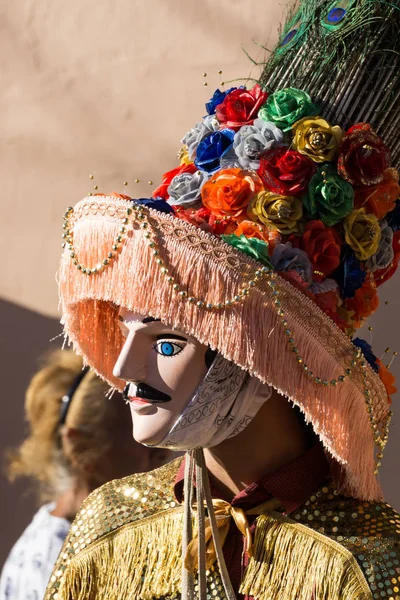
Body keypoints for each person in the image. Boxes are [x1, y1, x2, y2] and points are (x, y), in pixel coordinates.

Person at [46, 0, 400, 598]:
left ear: (259, 353)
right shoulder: (110, 529)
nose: (123, 371)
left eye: (164, 340)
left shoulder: (361, 564)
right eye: (130, 329)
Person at [0, 350, 170, 600]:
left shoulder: (88, 537)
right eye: (138, 437)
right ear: (80, 449)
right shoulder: (62, 558)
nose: (161, 454)